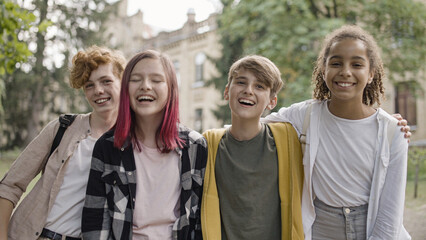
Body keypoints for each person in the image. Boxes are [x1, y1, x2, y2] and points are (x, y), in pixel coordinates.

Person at [264, 25, 411, 240]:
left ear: (371, 74)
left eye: (357, 64)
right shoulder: (305, 115)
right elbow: (255, 127)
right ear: (323, 71)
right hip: (320, 227)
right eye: (336, 63)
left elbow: (390, 213)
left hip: (371, 227)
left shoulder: (393, 132)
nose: (345, 71)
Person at [0, 45, 126, 240]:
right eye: (89, 85)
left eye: (106, 81)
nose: (98, 91)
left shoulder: (132, 144)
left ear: (122, 82)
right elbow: (10, 185)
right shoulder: (63, 128)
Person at [82, 50, 207, 240]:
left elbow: (198, 223)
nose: (145, 86)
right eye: (136, 79)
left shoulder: (195, 146)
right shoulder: (107, 147)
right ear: (125, 88)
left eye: (156, 80)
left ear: (171, 88)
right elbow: (95, 221)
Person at [201, 55, 304, 239]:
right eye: (241, 82)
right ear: (227, 92)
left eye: (260, 86)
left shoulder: (286, 139)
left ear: (272, 102)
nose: (248, 90)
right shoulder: (209, 145)